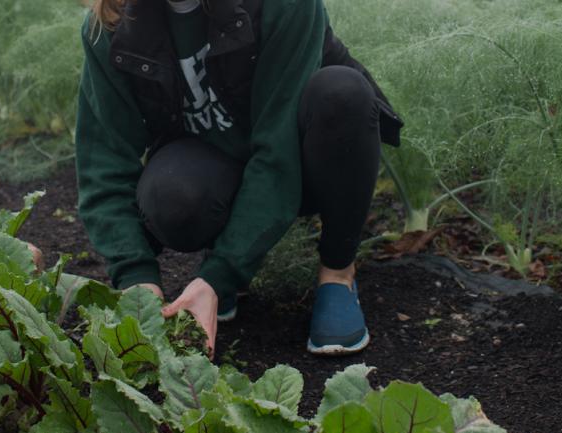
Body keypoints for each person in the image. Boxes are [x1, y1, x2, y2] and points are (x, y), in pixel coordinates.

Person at [75, 0, 403, 356]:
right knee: (171, 195)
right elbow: (104, 164)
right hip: (218, 167)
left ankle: (338, 273)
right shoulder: (112, 21)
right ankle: (219, 261)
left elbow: (277, 154)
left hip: (303, 160)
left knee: (343, 93)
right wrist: (136, 280)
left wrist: (221, 274)